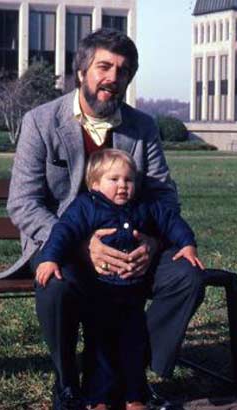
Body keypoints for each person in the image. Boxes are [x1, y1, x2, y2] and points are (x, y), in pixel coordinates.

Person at [0, 28, 205, 409]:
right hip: (62, 247)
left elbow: (162, 195)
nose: (113, 77)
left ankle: (134, 371)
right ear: (81, 72)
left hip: (132, 244)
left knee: (186, 278)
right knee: (54, 287)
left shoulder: (142, 127)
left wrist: (153, 242)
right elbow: (23, 203)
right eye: (104, 66)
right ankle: (69, 384)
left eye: (122, 71)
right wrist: (78, 243)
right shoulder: (40, 121)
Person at [35, 148, 202, 409]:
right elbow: (63, 231)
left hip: (132, 292)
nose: (123, 186)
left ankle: (134, 396)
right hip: (99, 291)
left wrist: (187, 244)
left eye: (128, 180)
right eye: (114, 180)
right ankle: (97, 397)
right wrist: (50, 258)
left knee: (134, 344)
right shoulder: (86, 206)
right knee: (99, 347)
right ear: (95, 184)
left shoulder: (145, 206)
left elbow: (172, 221)